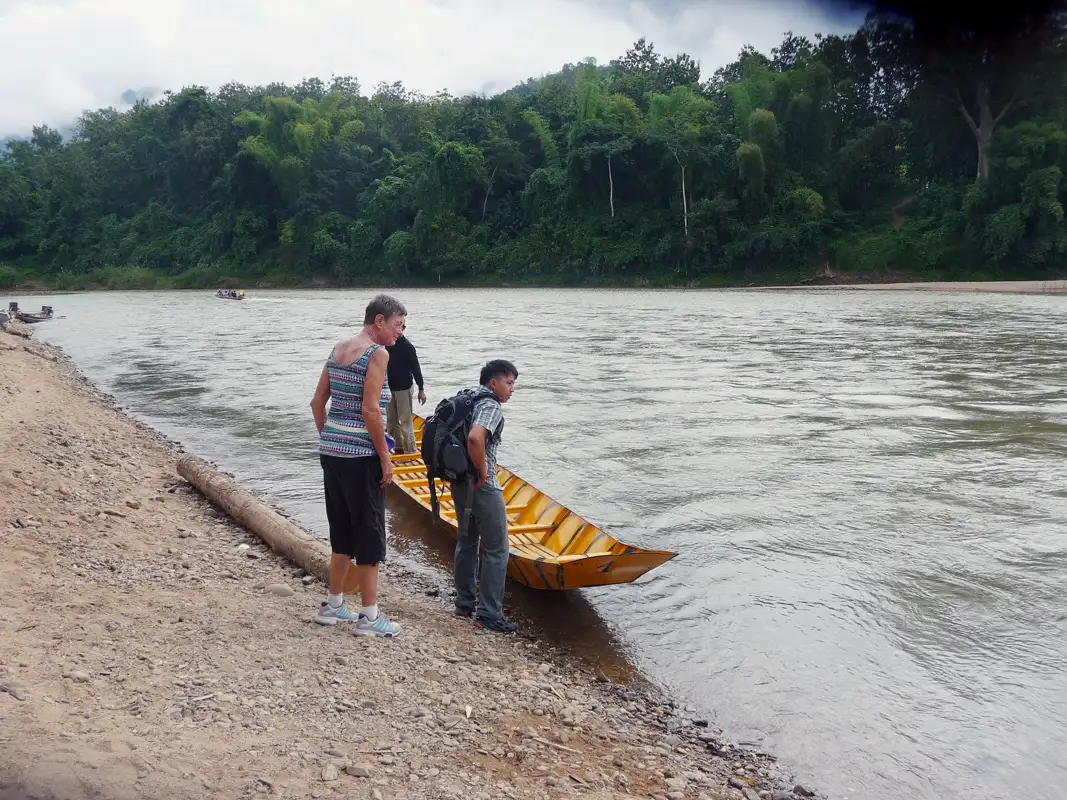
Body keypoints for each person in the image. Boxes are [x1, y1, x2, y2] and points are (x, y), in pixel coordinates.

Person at [309, 293, 406, 637]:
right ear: (379, 321)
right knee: (368, 532)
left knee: (341, 529)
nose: (400, 332)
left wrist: (332, 436)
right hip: (361, 456)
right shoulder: (377, 353)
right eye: (397, 325)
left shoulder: (338, 348)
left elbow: (317, 402)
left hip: (331, 451)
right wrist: (385, 457)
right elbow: (370, 411)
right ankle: (369, 616)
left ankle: (333, 606)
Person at [452, 359, 519, 634]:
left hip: (457, 480)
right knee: (497, 550)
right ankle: (489, 614)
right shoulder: (490, 405)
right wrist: (482, 473)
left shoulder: (468, 396)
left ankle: (465, 603)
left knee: (467, 541)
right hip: (482, 485)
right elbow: (475, 438)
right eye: (509, 382)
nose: (512, 389)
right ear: (494, 382)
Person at [385, 323, 427, 453]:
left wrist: (421, 389)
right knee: (391, 421)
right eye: (394, 327)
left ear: (403, 329)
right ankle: (397, 447)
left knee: (405, 422)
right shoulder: (386, 345)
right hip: (389, 388)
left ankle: (410, 450)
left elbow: (416, 369)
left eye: (400, 328)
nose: (397, 331)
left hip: (404, 388)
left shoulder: (408, 347)